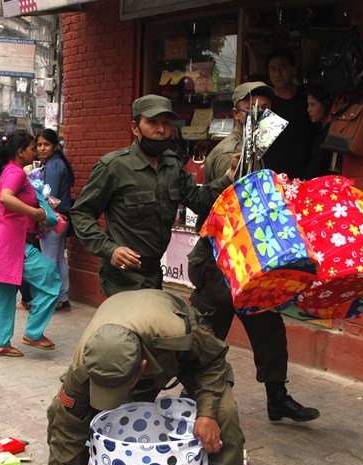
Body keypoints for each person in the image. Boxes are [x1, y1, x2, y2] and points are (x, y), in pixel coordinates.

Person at [35, 289, 244, 465]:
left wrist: (207, 413)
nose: (114, 397)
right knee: (71, 413)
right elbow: (64, 430)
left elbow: (214, 360)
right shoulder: (87, 362)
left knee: (226, 416)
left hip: (186, 355)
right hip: (125, 336)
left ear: (141, 369)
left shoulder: (179, 331)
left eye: (119, 387)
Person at [187, 82, 320, 423]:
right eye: (253, 110)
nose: (261, 117)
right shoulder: (228, 153)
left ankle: (277, 398)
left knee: (270, 332)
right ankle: (190, 401)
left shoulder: (260, 151)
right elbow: (223, 207)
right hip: (220, 263)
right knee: (204, 337)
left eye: (266, 110)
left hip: (253, 260)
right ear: (237, 114)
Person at [70, 94, 238, 297]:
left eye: (166, 123)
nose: (161, 130)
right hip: (121, 277)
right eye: (152, 122)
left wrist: (229, 176)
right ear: (135, 128)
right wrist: (109, 249)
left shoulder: (173, 165)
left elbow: (199, 200)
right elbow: (81, 213)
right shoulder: (114, 167)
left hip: (154, 274)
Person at [0, 130, 60, 357]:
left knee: (4, 294)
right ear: (20, 152)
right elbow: (6, 198)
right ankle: (34, 333)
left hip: (2, 243)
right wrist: (36, 213)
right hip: (12, 244)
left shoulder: (8, 170)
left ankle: (0, 343)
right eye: (31, 148)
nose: (35, 152)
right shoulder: (15, 172)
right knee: (51, 279)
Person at [263, 48, 316, 180]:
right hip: (273, 178)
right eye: (272, 69)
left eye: (282, 67)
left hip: (305, 175)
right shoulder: (267, 104)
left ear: (294, 70)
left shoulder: (307, 99)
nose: (278, 73)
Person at [36, 129, 74, 312]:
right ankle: (62, 297)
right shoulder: (58, 163)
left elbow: (49, 197)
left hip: (54, 217)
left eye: (46, 144)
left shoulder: (52, 166)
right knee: (59, 258)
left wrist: (43, 218)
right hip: (63, 217)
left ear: (55, 146)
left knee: (49, 260)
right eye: (39, 145)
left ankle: (51, 299)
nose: (42, 148)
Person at [303, 83, 334, 179]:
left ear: (325, 105)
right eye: (308, 105)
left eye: (312, 105)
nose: (309, 110)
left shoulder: (332, 132)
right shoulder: (318, 130)